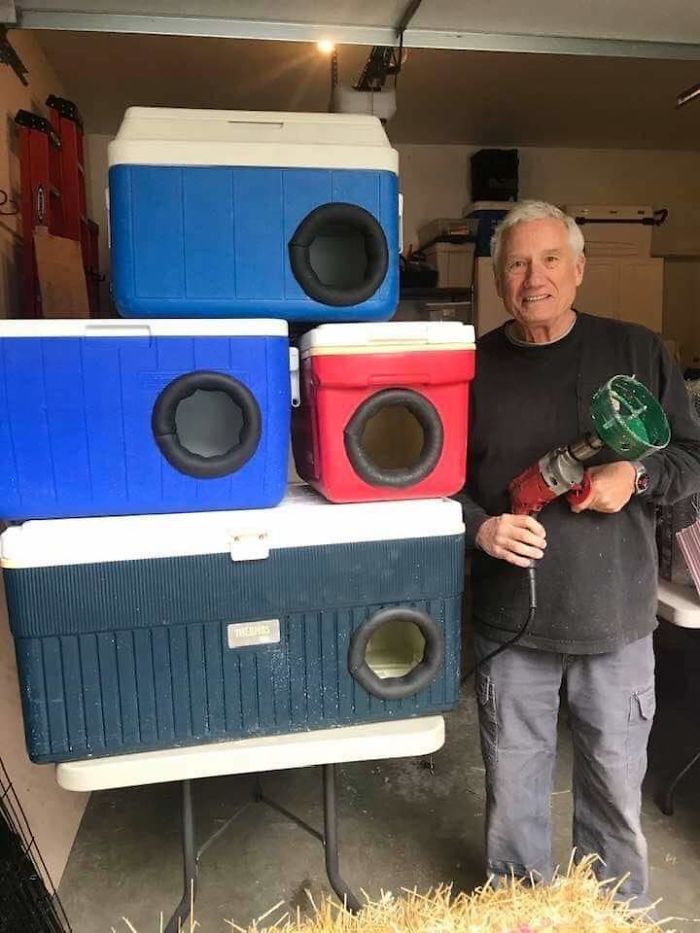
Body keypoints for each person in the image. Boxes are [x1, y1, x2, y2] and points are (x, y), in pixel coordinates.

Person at [460, 199, 700, 905]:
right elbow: (431, 483)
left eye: (551, 259)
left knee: (614, 791)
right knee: (513, 794)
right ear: (500, 279)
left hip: (616, 621)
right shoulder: (472, 368)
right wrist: (482, 527)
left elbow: (691, 455)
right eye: (517, 264)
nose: (534, 277)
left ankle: (610, 915)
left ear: (580, 269)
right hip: (512, 625)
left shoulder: (638, 350)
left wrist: (637, 474)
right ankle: (522, 912)